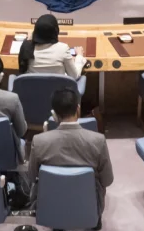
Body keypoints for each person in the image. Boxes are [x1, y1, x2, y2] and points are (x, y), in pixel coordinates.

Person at [27, 88, 113, 224]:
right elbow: (107, 180)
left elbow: (31, 177)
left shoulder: (39, 141)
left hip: (50, 207)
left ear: (53, 115)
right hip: (89, 207)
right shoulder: (98, 140)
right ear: (78, 109)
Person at [20, 14, 87, 78]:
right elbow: (74, 76)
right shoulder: (63, 49)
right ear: (56, 30)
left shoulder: (26, 48)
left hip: (32, 89)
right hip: (59, 89)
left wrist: (31, 38)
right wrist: (79, 56)